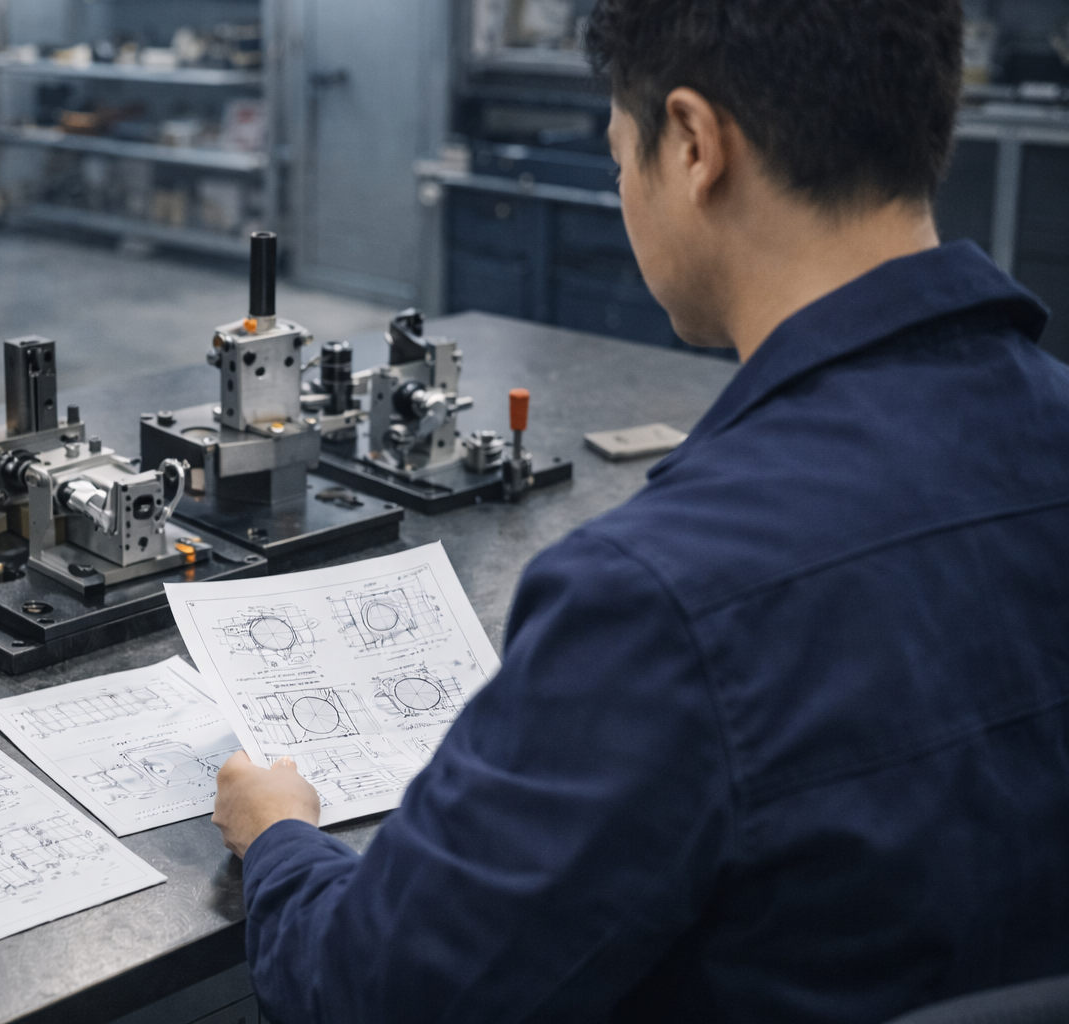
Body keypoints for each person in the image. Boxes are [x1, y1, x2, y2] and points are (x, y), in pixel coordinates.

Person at [210, 0, 1069, 1021]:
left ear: (696, 146)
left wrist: (279, 841)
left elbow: (377, 989)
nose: (625, 189)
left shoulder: (659, 599)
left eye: (622, 155)